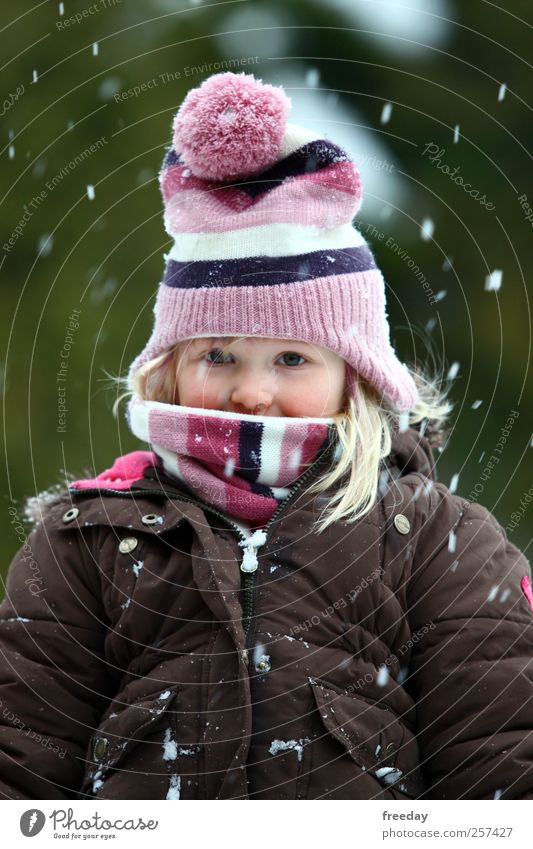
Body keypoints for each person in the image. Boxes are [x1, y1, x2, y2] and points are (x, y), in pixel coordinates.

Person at [1, 71, 532, 801]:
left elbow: (497, 753)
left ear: (355, 376)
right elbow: (22, 752)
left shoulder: (433, 539)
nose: (251, 390)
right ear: (170, 369)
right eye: (217, 355)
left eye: (291, 358)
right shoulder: (90, 539)